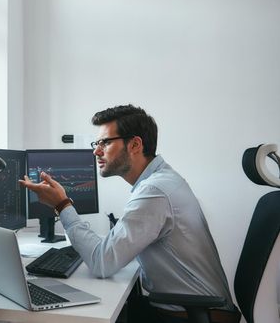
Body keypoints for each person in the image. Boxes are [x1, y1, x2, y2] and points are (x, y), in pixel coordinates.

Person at [19, 104, 240, 323]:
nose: (96, 151)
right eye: (96, 143)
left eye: (104, 142)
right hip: (192, 310)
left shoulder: (155, 191)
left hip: (189, 316)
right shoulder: (161, 181)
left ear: (135, 145)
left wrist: (62, 205)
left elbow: (101, 263)